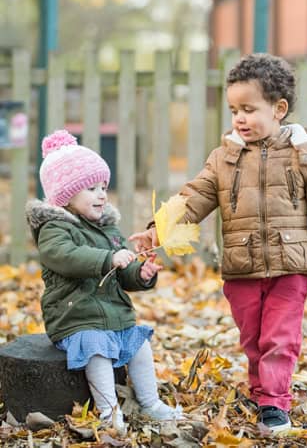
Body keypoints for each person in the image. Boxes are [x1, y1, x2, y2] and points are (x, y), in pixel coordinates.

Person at [132, 54, 307, 435]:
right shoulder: (223, 158)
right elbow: (194, 198)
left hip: (290, 266)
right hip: (240, 266)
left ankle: (274, 403)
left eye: (249, 109)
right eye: (234, 110)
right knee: (253, 338)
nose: (240, 118)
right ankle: (261, 389)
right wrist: (158, 229)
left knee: (279, 337)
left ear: (279, 109)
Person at [26, 129, 181, 435]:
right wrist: (107, 259)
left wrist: (139, 273)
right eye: (91, 188)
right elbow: (64, 256)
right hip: (75, 318)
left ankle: (150, 402)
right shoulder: (54, 228)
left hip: (113, 315)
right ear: (66, 195)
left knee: (139, 345)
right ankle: (108, 413)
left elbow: (121, 274)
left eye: (103, 187)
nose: (101, 195)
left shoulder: (108, 229)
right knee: (97, 348)